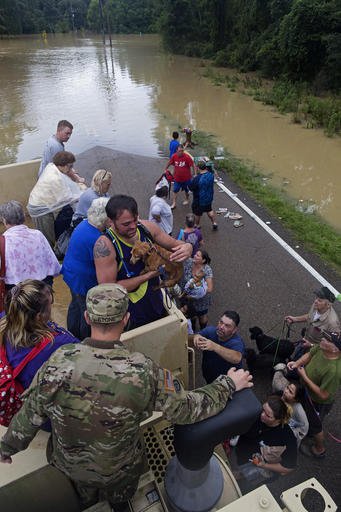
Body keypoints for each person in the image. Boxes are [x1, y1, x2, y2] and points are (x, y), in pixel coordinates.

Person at [0, 283, 253, 509]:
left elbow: (28, 417)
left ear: (87, 317)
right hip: (119, 469)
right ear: (127, 319)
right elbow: (187, 409)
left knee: (87, 497)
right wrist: (228, 384)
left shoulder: (57, 361)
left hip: (72, 466)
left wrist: (6, 448)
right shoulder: (142, 371)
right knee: (121, 499)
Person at [94, 195, 193, 330]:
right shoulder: (105, 246)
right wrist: (149, 275)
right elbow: (109, 289)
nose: (133, 226)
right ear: (111, 222)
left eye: (135, 220)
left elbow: (176, 244)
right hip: (130, 313)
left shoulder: (147, 228)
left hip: (155, 300)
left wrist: (188, 247)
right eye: (126, 224)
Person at [0, 279, 78, 392]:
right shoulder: (60, 344)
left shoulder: (5, 319)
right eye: (51, 304)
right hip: (33, 400)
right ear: (39, 317)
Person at [287, 331, 341, 457]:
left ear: (335, 349)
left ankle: (319, 449)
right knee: (302, 415)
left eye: (328, 340)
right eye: (325, 337)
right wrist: (297, 363)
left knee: (315, 427)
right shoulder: (322, 347)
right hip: (306, 393)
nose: (323, 340)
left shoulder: (334, 371)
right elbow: (310, 354)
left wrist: (304, 377)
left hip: (317, 402)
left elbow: (324, 395)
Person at [62, 197, 109, 339]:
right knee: (87, 313)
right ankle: (84, 341)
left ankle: (72, 333)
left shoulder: (84, 225)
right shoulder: (98, 239)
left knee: (75, 306)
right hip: (83, 281)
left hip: (71, 274)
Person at [233, 395, 297, 493]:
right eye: (263, 410)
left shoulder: (287, 439)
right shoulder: (257, 414)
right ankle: (240, 474)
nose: (262, 415)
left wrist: (263, 465)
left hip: (258, 468)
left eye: (268, 416)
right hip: (243, 454)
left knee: (245, 485)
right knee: (240, 469)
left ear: (279, 420)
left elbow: (289, 467)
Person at [27, 151, 86, 248]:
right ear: (62, 165)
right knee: (47, 236)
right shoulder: (55, 178)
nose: (71, 169)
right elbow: (66, 198)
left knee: (49, 232)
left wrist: (76, 178)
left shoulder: (52, 166)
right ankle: (49, 256)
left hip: (42, 203)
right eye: (70, 166)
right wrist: (83, 194)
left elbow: (67, 180)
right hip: (40, 208)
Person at [0, 201, 60, 289]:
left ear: (4, 220)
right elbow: (52, 262)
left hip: (16, 290)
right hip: (42, 285)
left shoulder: (2, 241)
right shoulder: (37, 234)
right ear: (23, 216)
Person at [285, 286, 340, 360]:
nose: (315, 301)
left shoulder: (333, 323)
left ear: (328, 305)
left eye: (320, 300)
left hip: (315, 355)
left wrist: (311, 345)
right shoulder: (316, 306)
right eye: (316, 298)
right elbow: (309, 316)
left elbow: (334, 347)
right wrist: (295, 319)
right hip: (304, 342)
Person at [194, 310, 245, 384]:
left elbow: (237, 358)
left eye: (227, 325)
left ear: (234, 330)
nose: (221, 327)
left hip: (226, 383)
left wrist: (214, 346)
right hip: (209, 375)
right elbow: (199, 334)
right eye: (221, 322)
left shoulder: (237, 343)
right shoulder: (211, 330)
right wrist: (196, 337)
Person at [180, 249, 213, 329]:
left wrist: (197, 292)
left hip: (201, 300)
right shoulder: (189, 262)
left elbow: (210, 288)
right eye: (195, 254)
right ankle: (193, 327)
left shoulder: (207, 269)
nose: (194, 256)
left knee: (202, 316)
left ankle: (203, 330)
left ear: (203, 260)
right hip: (187, 298)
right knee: (190, 314)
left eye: (197, 255)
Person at [272, 373, 309, 445]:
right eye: (287, 388)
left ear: (296, 399)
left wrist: (288, 433)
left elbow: (303, 430)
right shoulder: (281, 395)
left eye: (290, 392)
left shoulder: (299, 412)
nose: (286, 391)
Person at [164, 144, 196, 209]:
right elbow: (169, 162)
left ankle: (187, 199)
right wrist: (165, 169)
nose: (181, 152)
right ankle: (174, 203)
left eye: (182, 151)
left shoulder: (187, 157)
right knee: (175, 190)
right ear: (176, 150)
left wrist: (195, 174)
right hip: (177, 178)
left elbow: (193, 165)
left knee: (187, 190)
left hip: (187, 178)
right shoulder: (174, 156)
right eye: (179, 151)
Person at [189, 159, 217, 230]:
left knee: (197, 213)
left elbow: (191, 188)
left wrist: (193, 179)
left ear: (198, 168)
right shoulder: (211, 175)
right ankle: (214, 223)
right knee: (209, 210)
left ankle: (197, 225)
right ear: (205, 167)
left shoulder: (197, 179)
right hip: (209, 197)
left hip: (199, 199)